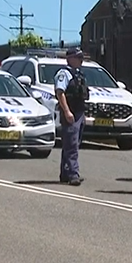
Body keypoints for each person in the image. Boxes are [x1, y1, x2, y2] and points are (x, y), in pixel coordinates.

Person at [55, 48, 89, 186]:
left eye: (81, 57)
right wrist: (67, 111)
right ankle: (73, 174)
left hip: (79, 112)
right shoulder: (64, 74)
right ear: (70, 59)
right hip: (71, 112)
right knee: (72, 144)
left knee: (72, 143)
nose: (81, 60)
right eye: (78, 57)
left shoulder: (78, 74)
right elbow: (60, 93)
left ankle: (65, 173)